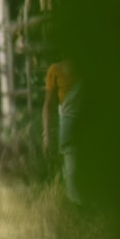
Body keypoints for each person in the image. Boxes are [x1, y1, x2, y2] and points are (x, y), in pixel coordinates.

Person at [42, 58, 82, 204]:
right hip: (71, 131)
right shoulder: (56, 71)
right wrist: (46, 135)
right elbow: (48, 106)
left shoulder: (89, 68)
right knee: (71, 174)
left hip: (85, 128)